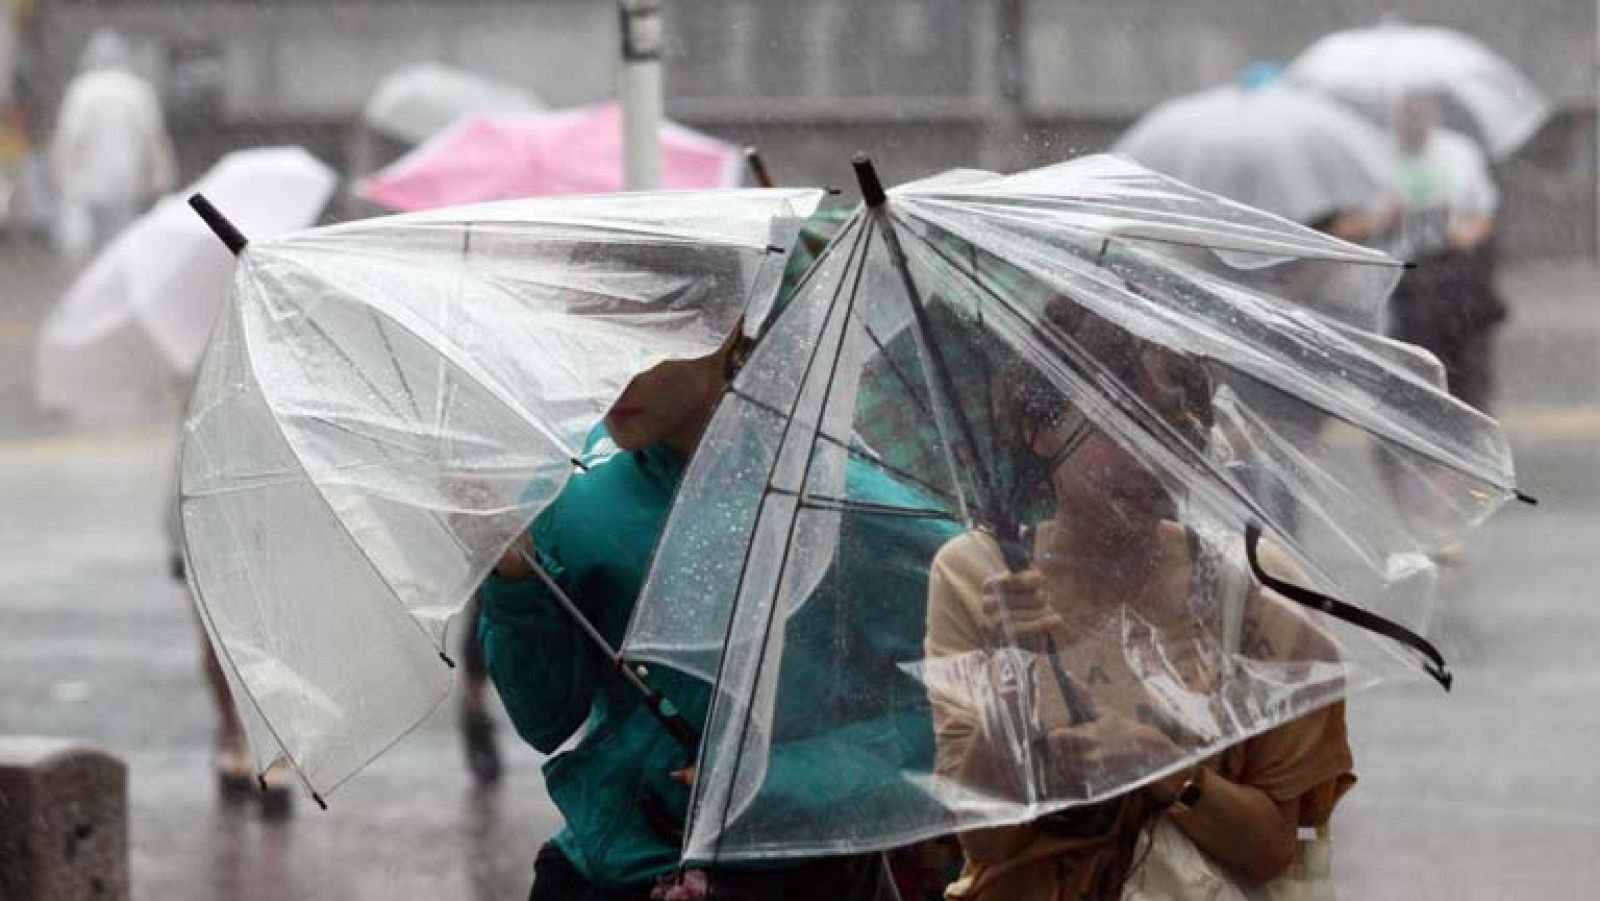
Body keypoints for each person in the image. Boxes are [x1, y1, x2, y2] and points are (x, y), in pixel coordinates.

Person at [923, 298, 1356, 900]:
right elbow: (986, 840)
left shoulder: (1255, 589)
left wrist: (1167, 771)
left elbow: (1277, 849)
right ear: (1039, 430)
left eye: (1172, 425)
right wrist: (1008, 675)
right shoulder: (980, 575)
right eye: (1119, 423)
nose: (1149, 453)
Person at [479, 326, 923, 901]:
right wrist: (515, 584)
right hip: (605, 872)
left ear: (723, 334)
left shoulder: (843, 500)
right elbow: (544, 720)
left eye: (645, 341)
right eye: (596, 342)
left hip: (795, 875)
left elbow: (951, 720)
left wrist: (769, 782)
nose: (614, 374)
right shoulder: (575, 493)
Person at [1377, 93, 1504, 413]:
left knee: (1464, 360)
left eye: (1420, 110)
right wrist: (1387, 216)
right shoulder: (1378, 156)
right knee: (1411, 362)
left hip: (1454, 269)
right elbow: (1360, 221)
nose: (1414, 118)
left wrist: (1465, 236)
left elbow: (1485, 213)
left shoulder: (1458, 153)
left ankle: (1465, 431)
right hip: (1403, 273)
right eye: (1407, 111)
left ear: (1434, 112)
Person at [49, 29, 174, 256]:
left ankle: (83, 280)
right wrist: (161, 174)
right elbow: (153, 136)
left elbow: (69, 136)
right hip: (126, 173)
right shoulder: (137, 89)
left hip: (85, 174)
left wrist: (61, 170)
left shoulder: (82, 88)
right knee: (120, 235)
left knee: (81, 234)